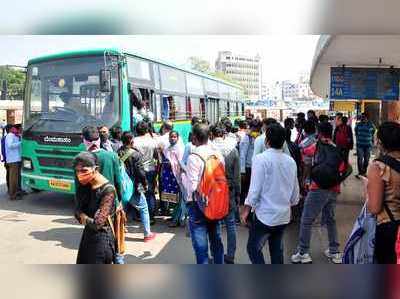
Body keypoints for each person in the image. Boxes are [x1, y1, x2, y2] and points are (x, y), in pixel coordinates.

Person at [241, 123, 300, 264]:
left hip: (265, 216)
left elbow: (254, 190)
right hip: (283, 216)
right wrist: (288, 205)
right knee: (276, 249)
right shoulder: (291, 162)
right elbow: (295, 193)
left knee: (253, 248)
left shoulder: (260, 159)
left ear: (266, 141)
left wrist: (246, 210)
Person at [291, 122, 348, 264]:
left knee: (306, 219)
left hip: (318, 188)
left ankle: (303, 252)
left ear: (319, 132)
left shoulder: (316, 146)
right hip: (334, 188)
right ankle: (334, 251)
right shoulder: (336, 148)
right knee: (330, 219)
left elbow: (303, 151)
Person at [182, 123, 225, 264]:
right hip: (216, 202)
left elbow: (192, 187)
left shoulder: (193, 157)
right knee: (216, 241)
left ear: (194, 137)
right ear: (209, 136)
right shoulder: (217, 154)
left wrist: (183, 176)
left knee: (201, 247)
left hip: (198, 205)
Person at [80, 126, 124, 263]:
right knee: (115, 242)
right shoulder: (112, 156)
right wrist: (119, 202)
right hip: (111, 208)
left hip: (92, 211)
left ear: (84, 140)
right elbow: (118, 183)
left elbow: (80, 192)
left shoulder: (81, 159)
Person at [74, 152, 116, 264]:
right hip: (87, 237)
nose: (80, 174)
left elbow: (98, 224)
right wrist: (84, 217)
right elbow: (77, 212)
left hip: (101, 241)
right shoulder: (86, 185)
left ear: (95, 169)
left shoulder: (108, 190)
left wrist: (83, 217)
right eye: (77, 171)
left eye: (84, 171)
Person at [366, 122, 400, 264]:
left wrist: (367, 188)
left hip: (389, 228)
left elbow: (374, 208)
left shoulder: (378, 167)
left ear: (380, 142)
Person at [118, 132, 156, 242]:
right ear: (131, 140)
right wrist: (145, 184)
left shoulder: (118, 152)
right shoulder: (135, 154)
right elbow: (140, 172)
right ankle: (147, 234)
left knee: (122, 208)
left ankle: (120, 230)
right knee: (144, 208)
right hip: (132, 186)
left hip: (121, 186)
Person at [211, 125, 241, 264]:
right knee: (230, 224)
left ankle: (216, 255)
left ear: (212, 135)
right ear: (223, 135)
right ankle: (230, 255)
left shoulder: (209, 150)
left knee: (214, 224)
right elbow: (237, 177)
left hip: (212, 191)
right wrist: (238, 193)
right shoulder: (233, 150)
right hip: (228, 190)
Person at [134, 121, 159, 224]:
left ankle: (141, 215)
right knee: (150, 193)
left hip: (138, 170)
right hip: (150, 169)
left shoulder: (134, 141)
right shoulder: (152, 141)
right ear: (147, 130)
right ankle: (151, 217)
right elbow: (156, 156)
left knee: (139, 192)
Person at [160, 131, 185, 224]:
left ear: (178, 138)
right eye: (171, 137)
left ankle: (176, 219)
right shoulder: (167, 148)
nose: (172, 138)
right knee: (171, 198)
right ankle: (173, 215)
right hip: (168, 175)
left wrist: (171, 163)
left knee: (178, 198)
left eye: (174, 137)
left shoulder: (180, 148)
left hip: (176, 175)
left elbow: (181, 162)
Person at [239, 119, 261, 205]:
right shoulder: (247, 138)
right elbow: (242, 155)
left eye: (257, 127)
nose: (256, 130)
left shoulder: (259, 137)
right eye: (254, 127)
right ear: (251, 127)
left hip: (257, 167)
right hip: (248, 168)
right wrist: (242, 171)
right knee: (246, 190)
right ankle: (244, 210)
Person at [355, 113, 376, 178]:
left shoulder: (371, 125)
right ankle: (360, 172)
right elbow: (356, 132)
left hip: (368, 145)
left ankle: (364, 171)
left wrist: (370, 138)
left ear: (367, 118)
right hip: (360, 145)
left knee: (367, 160)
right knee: (360, 159)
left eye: (364, 117)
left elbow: (374, 131)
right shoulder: (358, 125)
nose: (362, 118)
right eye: (362, 117)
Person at [5, 124, 22, 200]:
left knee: (16, 178)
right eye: (14, 128)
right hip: (13, 160)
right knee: (13, 179)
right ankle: (13, 195)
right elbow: (10, 145)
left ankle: (16, 193)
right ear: (11, 129)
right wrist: (21, 143)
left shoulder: (14, 135)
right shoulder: (10, 135)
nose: (16, 129)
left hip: (16, 159)